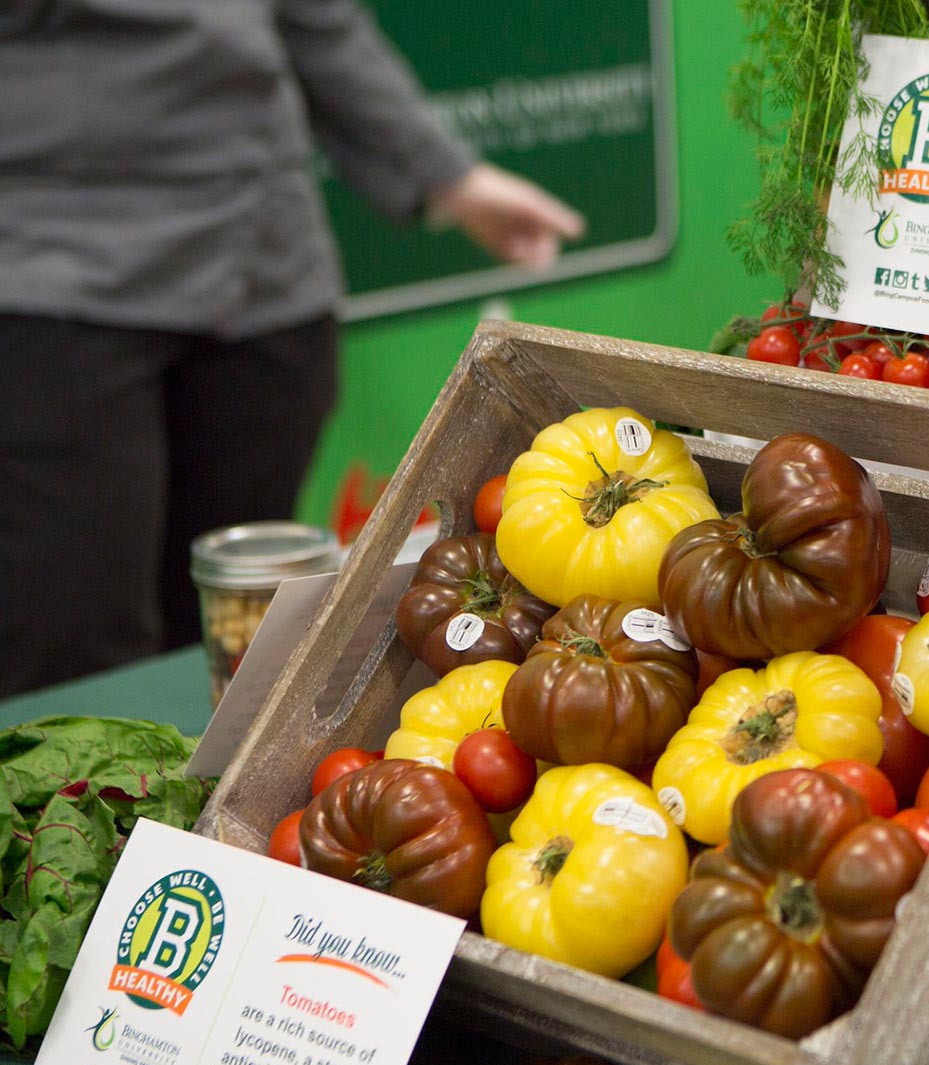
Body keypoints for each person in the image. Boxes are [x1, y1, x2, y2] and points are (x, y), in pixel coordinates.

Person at [0, 1, 585, 698]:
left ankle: (216, 803)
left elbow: (315, 20)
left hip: (263, 274)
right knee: (77, 632)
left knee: (239, 630)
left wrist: (447, 177)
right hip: (53, 264)